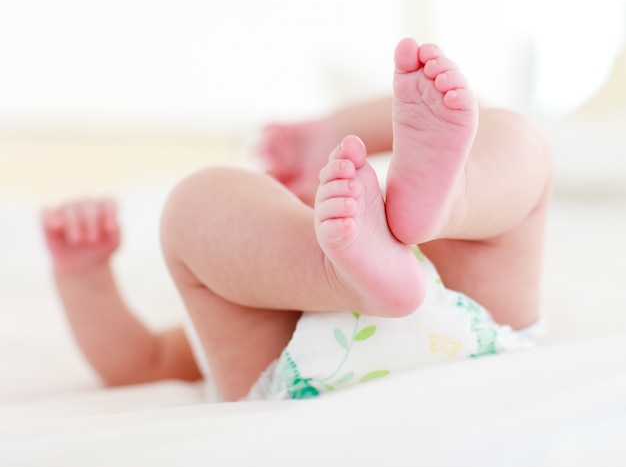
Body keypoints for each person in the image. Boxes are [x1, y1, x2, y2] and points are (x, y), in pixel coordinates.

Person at [42, 38, 552, 402]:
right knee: (201, 202)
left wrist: (332, 129)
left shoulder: (401, 224)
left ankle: (448, 202)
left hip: (353, 344)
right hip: (466, 331)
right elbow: (146, 362)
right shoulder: (256, 261)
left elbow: (139, 362)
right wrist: (85, 277)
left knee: (509, 136)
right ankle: (346, 268)